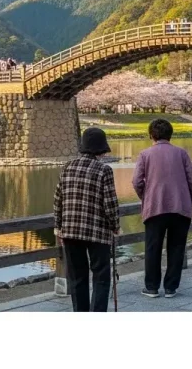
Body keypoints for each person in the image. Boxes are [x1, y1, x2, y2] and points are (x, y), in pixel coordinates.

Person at [53, 127, 121, 312]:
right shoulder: (104, 170)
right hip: (97, 232)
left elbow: (58, 200)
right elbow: (110, 203)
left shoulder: (67, 167)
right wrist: (116, 226)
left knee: (77, 277)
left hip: (70, 231)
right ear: (102, 148)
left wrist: (58, 227)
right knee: (100, 276)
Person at [132, 119, 192, 298]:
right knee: (177, 247)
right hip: (180, 206)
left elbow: (136, 181)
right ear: (171, 134)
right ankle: (171, 287)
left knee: (153, 247)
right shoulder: (181, 153)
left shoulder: (145, 154)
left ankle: (152, 287)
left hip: (155, 207)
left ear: (151, 135)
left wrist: (145, 196)